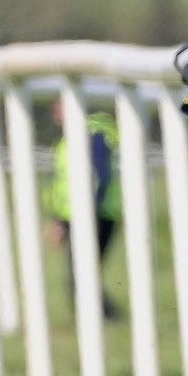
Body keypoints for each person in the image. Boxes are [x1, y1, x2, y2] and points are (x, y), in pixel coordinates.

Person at [42, 100, 124, 320]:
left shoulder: (94, 133)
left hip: (96, 214)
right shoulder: (68, 138)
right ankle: (102, 320)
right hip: (74, 215)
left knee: (81, 275)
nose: (55, 111)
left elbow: (102, 175)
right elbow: (62, 184)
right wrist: (58, 220)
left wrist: (92, 213)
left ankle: (105, 320)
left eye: (59, 104)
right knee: (80, 275)